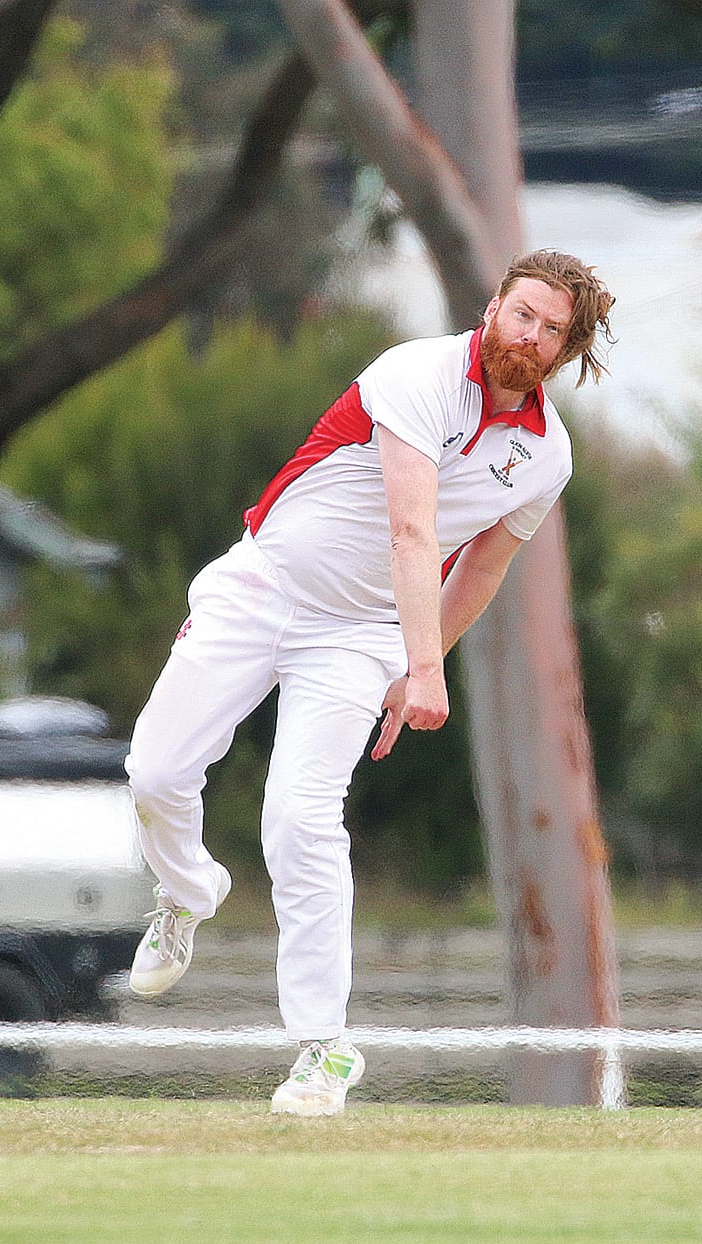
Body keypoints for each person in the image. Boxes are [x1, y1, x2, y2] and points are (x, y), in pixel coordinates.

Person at [121, 250, 615, 1116]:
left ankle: (322, 1050)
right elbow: (410, 532)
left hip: (357, 637)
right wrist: (423, 669)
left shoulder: (547, 457)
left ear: (566, 350)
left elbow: (483, 567)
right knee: (154, 774)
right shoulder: (417, 373)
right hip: (264, 581)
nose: (529, 337)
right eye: (522, 315)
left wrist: (414, 665)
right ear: (493, 308)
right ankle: (188, 891)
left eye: (551, 330)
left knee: (301, 820)